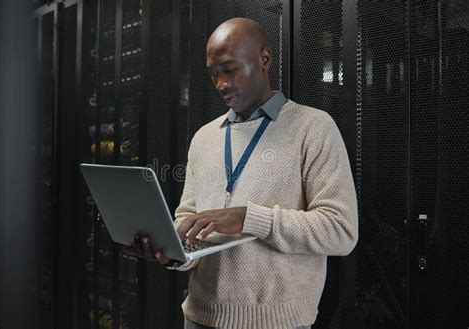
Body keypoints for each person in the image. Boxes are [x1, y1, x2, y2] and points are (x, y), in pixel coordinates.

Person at [125, 17, 358, 329]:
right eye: (213, 74)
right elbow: (188, 217)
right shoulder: (204, 138)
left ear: (264, 59)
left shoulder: (313, 128)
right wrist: (172, 251)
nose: (221, 83)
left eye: (230, 69)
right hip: (198, 317)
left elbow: (340, 231)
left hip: (278, 324)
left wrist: (248, 217)